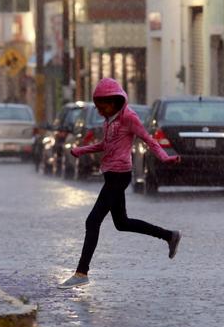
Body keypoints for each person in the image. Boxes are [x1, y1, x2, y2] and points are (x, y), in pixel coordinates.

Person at [59, 78, 182, 288]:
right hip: (110, 174)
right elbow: (105, 145)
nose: (100, 110)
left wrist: (165, 157)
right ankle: (170, 236)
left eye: (103, 105)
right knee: (122, 223)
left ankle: (81, 272)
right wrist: (82, 150)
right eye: (97, 106)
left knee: (92, 221)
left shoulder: (129, 118)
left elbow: (148, 139)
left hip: (119, 175)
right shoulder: (109, 120)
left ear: (115, 101)